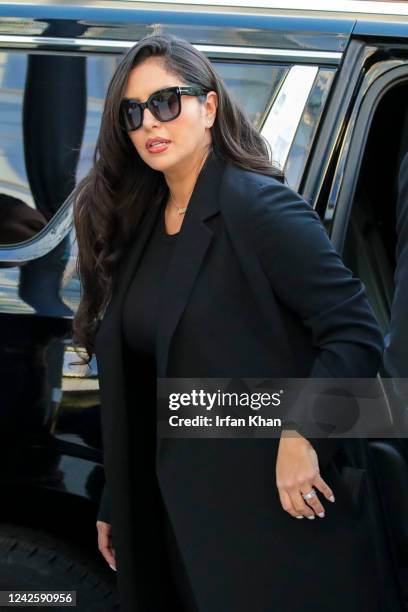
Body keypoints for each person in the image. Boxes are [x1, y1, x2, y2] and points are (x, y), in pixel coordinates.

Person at [73, 34, 385, 612]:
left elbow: (354, 331)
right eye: (133, 113)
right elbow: (143, 380)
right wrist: (119, 500)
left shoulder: (258, 207)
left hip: (265, 515)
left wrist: (300, 433)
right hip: (171, 517)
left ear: (210, 107)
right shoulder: (141, 224)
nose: (149, 123)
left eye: (167, 102)